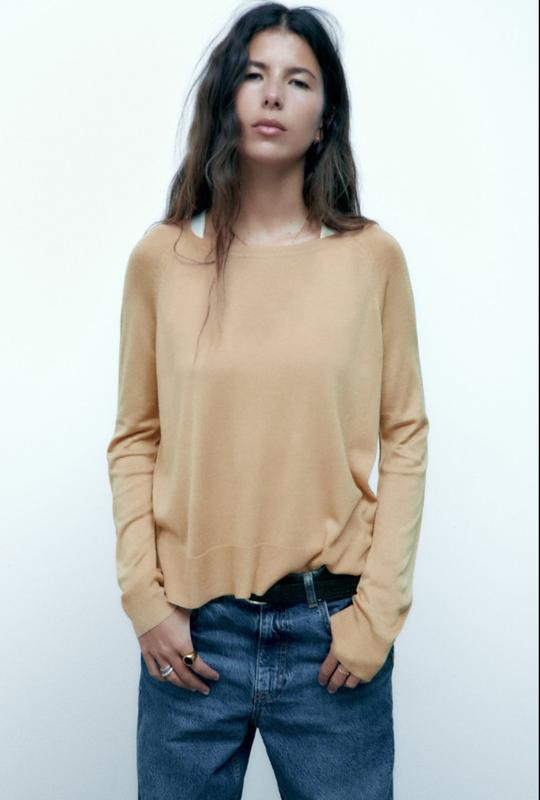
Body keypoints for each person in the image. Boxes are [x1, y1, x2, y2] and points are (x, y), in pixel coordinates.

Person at [105, 3, 429, 798]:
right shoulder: (162, 259)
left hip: (330, 640)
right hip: (193, 640)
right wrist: (145, 600)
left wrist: (377, 617)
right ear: (228, 96)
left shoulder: (372, 260)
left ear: (325, 118)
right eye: (253, 75)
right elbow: (136, 437)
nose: (273, 94)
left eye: (298, 81)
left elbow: (406, 435)